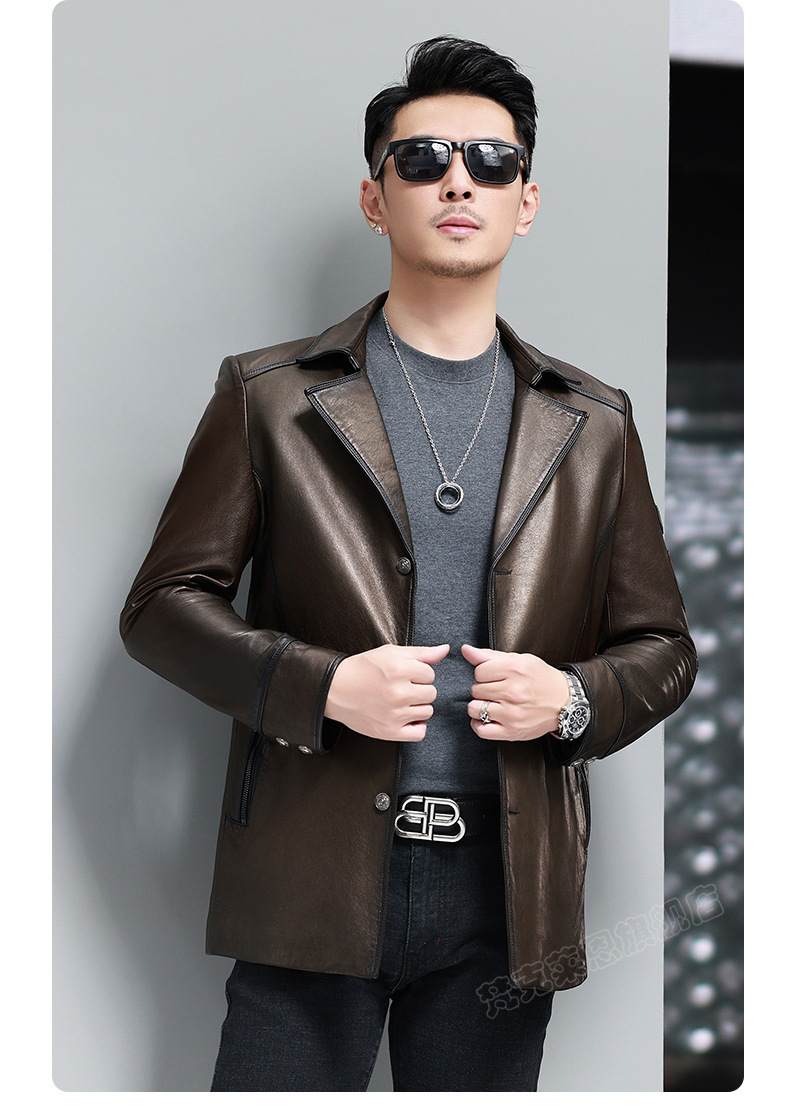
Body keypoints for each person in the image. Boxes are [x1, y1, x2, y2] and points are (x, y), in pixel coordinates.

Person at [120, 35, 697, 1092]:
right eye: (423, 159)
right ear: (375, 198)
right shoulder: (270, 397)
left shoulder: (595, 423)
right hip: (310, 878)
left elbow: (663, 646)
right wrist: (319, 683)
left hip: (507, 894)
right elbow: (162, 605)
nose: (459, 181)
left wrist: (574, 698)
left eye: (492, 161)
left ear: (526, 201)